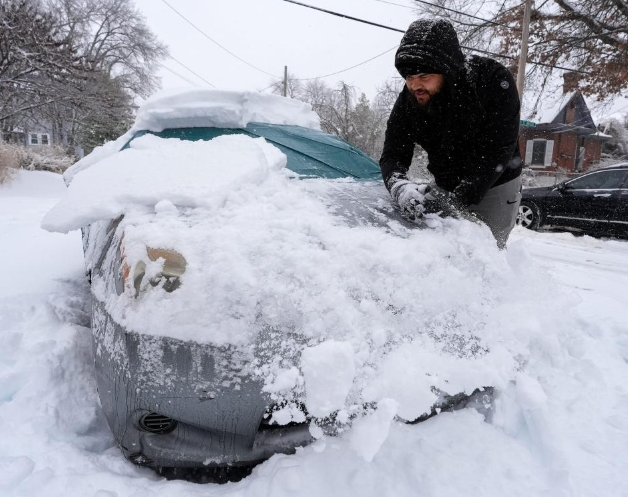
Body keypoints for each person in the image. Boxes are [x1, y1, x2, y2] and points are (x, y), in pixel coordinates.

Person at [380, 19, 523, 249]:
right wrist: (399, 187)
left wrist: (458, 200)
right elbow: (393, 153)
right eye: (409, 78)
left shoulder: (491, 81)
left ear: (447, 70)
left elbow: (499, 149)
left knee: (485, 251)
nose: (415, 85)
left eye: (424, 76)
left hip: (496, 180)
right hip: (446, 181)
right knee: (439, 249)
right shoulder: (410, 100)